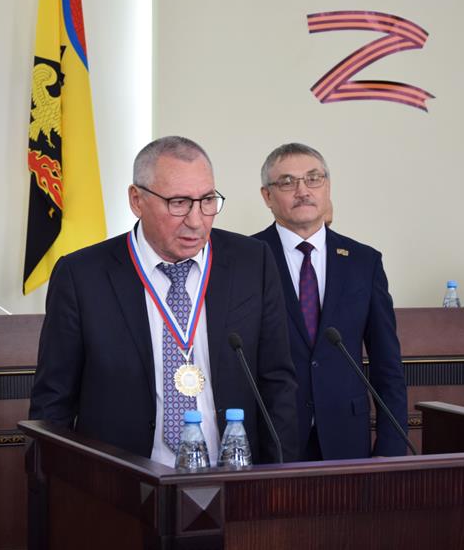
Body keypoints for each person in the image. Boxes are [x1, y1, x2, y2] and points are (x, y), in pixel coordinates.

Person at [30, 136, 298, 465]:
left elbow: (278, 382)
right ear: (137, 200)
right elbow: (53, 401)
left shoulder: (252, 262)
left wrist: (279, 480)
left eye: (207, 200)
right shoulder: (82, 275)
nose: (196, 220)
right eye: (178, 203)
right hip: (121, 480)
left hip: (233, 477)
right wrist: (52, 484)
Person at [253, 142, 407, 460]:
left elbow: (387, 365)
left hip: (346, 436)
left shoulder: (364, 262)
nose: (303, 191)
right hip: (270, 437)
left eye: (313, 179)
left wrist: (391, 449)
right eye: (287, 182)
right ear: (267, 196)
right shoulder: (246, 259)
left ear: (328, 187)